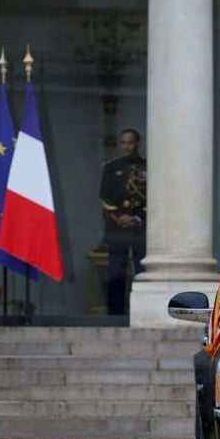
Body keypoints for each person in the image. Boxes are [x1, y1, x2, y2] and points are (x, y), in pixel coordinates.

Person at [99, 128, 147, 315]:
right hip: (117, 228)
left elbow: (154, 198)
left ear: (138, 143)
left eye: (130, 142)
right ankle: (115, 314)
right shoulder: (111, 168)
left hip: (139, 229)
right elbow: (104, 198)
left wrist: (137, 218)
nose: (127, 146)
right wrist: (120, 217)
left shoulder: (147, 168)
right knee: (116, 272)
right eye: (124, 143)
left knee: (141, 272)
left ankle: (141, 314)